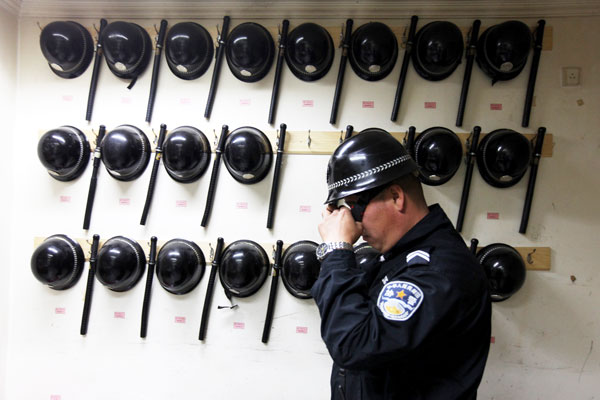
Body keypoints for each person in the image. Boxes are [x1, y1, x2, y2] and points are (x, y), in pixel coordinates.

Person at [312, 128, 491, 400]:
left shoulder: (438, 270)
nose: (354, 221)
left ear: (396, 196)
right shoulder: (398, 258)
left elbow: (353, 345)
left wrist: (337, 250)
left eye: (356, 206)